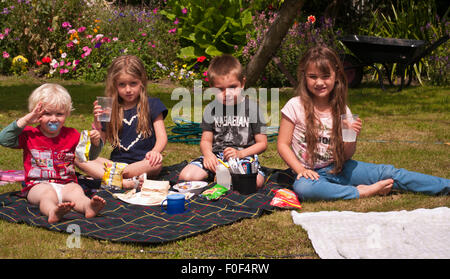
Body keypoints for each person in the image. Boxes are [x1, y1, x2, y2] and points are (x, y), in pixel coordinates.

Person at [277, 45, 449, 201]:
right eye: (313, 77)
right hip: (310, 175)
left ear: (336, 75)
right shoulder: (295, 105)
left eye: (325, 76)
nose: (319, 82)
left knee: (389, 173)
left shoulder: (342, 110)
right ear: (304, 76)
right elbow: (282, 145)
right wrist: (300, 170)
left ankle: (445, 186)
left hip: (338, 168)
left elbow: (345, 156)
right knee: (304, 188)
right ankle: (363, 192)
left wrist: (351, 137)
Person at [0, 83, 106, 223]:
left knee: (77, 192)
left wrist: (96, 143)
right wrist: (26, 119)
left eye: (59, 114)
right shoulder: (29, 134)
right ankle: (53, 211)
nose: (54, 119)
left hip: (67, 183)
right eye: (47, 113)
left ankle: (88, 207)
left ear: (67, 114)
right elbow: (4, 139)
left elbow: (89, 157)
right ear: (37, 114)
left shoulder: (72, 135)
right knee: (47, 195)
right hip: (37, 185)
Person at [75, 55, 168, 190]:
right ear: (115, 85)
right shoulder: (109, 107)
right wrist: (97, 122)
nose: (128, 89)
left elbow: (162, 137)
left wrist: (155, 152)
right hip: (115, 164)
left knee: (156, 164)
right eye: (122, 85)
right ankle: (123, 181)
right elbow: (98, 146)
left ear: (141, 81)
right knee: (77, 157)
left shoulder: (152, 105)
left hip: (143, 163)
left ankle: (114, 178)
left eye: (133, 83)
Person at [178, 54, 268, 188]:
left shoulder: (253, 109)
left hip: (243, 157)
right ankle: (220, 176)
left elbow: (262, 143)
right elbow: (206, 140)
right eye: (220, 89)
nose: (227, 93)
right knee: (186, 177)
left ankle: (225, 178)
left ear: (242, 84)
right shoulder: (211, 109)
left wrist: (240, 153)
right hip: (217, 157)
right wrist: (208, 155)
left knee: (255, 182)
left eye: (233, 87)